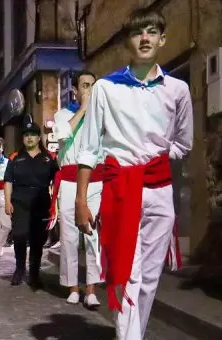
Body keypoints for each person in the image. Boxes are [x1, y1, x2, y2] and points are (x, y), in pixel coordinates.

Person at [74, 9, 192, 340]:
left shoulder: (177, 90)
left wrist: (155, 162)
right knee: (127, 273)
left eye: (151, 32)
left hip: (158, 190)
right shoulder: (106, 89)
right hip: (119, 189)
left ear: (161, 39)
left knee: (150, 277)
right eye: (138, 33)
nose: (145, 39)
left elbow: (183, 143)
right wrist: (81, 200)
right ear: (128, 40)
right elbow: (89, 148)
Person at [52, 71, 103, 308]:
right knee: (69, 237)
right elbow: (62, 135)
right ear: (75, 91)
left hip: (94, 182)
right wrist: (83, 109)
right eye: (84, 85)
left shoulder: (101, 115)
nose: (89, 89)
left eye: (92, 85)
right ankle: (73, 286)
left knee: (92, 235)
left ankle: (91, 289)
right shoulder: (61, 115)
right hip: (70, 182)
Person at [4, 123, 59, 288]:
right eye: (26, 134)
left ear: (38, 137)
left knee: (37, 239)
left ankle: (34, 273)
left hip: (42, 202)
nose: (29, 137)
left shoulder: (49, 157)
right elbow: (8, 181)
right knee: (19, 235)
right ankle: (19, 268)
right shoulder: (15, 158)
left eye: (33, 134)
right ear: (23, 138)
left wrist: (55, 202)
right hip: (20, 201)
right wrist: (7, 201)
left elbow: (57, 181)